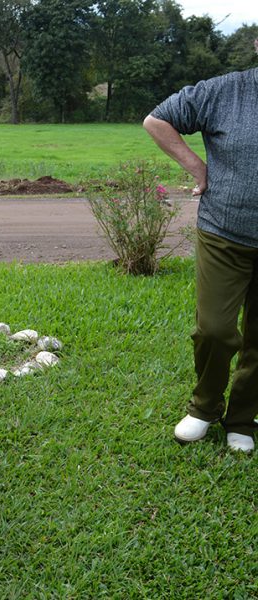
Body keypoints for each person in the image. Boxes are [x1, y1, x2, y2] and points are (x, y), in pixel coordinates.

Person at [143, 63, 258, 453]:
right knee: (214, 329)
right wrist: (197, 168)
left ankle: (242, 418)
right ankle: (205, 406)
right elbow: (157, 120)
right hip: (225, 233)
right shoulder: (224, 92)